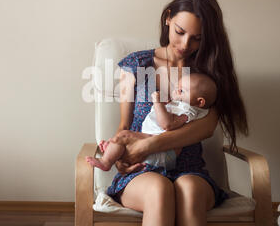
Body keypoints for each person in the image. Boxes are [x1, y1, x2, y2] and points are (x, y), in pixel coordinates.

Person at [102, 0, 249, 226]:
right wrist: (119, 156)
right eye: (180, 32)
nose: (185, 44)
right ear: (168, 17)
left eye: (197, 38)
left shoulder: (207, 75)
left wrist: (148, 145)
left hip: (190, 170)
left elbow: (205, 127)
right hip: (142, 171)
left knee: (189, 190)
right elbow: (124, 126)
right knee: (159, 190)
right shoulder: (137, 65)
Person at [86, 73, 214, 171]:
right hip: (155, 146)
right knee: (121, 138)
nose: (176, 91)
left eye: (182, 91)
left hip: (163, 151)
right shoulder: (180, 105)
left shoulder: (188, 110)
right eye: (177, 87)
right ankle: (112, 151)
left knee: (124, 136)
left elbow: (167, 124)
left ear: (200, 102)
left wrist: (157, 103)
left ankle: (106, 161)